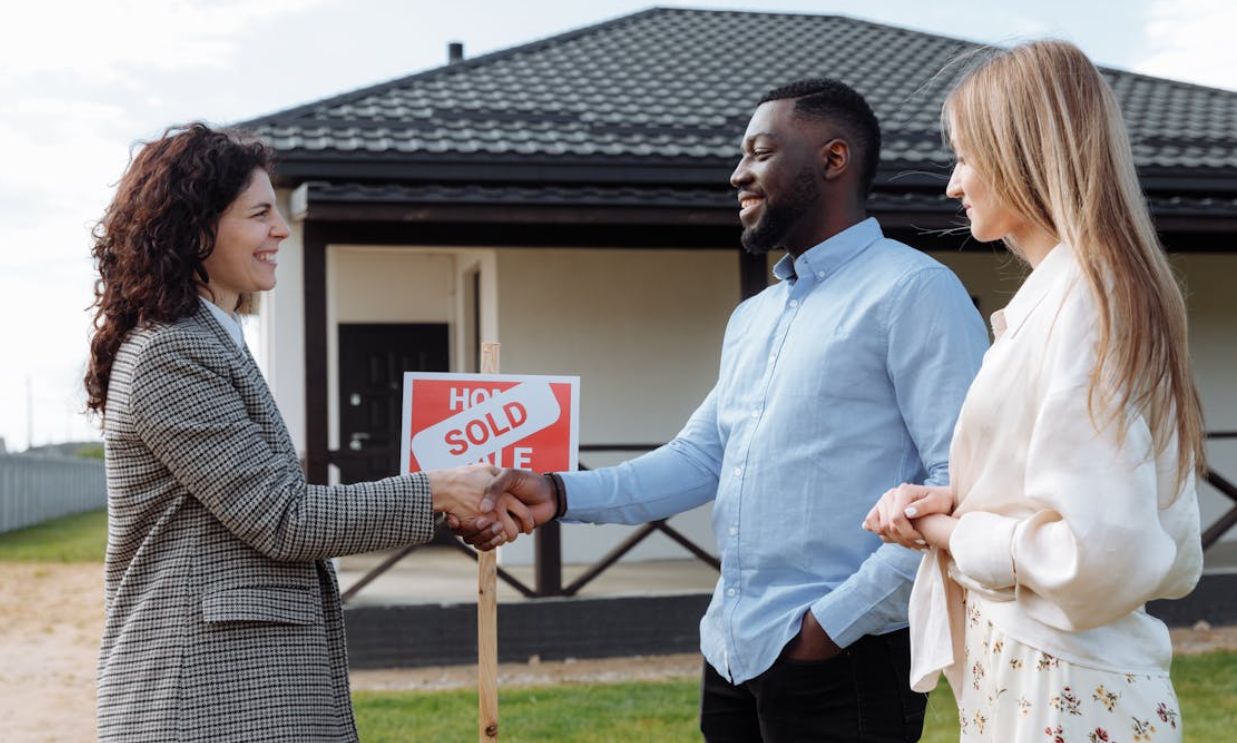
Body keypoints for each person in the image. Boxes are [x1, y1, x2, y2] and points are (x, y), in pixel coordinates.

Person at [453, 79, 989, 742]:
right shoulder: (752, 318)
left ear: (832, 159)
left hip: (844, 657)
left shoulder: (914, 293)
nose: (738, 173)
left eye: (759, 152)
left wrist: (828, 626)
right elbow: (698, 457)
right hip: (732, 652)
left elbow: (960, 485)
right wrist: (557, 492)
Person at [85, 123, 529, 742]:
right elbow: (282, 518)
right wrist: (435, 490)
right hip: (201, 701)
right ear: (196, 226)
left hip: (235, 692)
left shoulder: (209, 340)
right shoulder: (171, 354)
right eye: (260, 213)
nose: (282, 230)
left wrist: (447, 495)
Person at [864, 40, 1204, 742]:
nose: (952, 185)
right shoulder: (1082, 294)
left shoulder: (1085, 300)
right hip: (1041, 674)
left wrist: (946, 531)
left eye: (964, 155)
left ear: (1022, 153)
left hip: (1061, 684)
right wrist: (955, 500)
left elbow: (1097, 549)